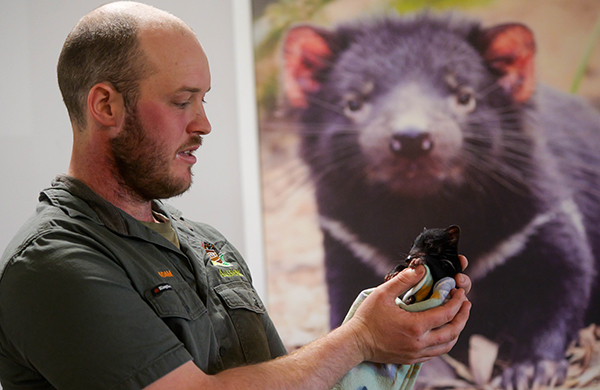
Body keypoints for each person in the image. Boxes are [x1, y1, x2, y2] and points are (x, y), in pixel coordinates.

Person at [0, 2, 471, 389]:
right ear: (106, 106)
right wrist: (360, 340)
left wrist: (392, 319)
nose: (203, 124)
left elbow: (267, 376)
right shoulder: (55, 263)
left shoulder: (208, 244)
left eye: (204, 100)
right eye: (182, 101)